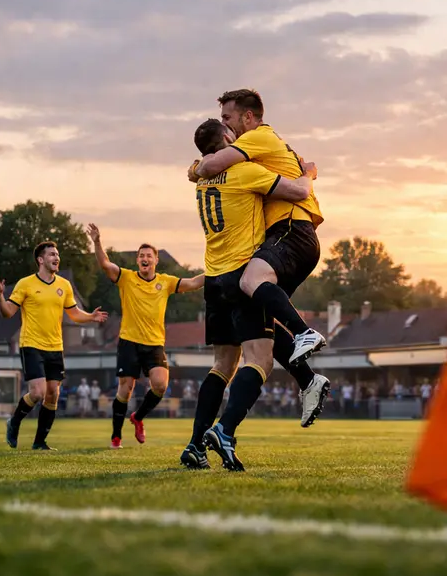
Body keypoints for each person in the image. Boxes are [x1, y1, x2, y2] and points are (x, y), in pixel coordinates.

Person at [189, 88, 331, 426]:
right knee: (264, 318)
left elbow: (214, 163)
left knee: (253, 290)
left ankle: (304, 335)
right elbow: (213, 164)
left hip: (287, 231)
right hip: (273, 239)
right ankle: (309, 379)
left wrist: (197, 167)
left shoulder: (255, 142)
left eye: (229, 117)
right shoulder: (247, 164)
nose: (228, 124)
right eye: (223, 121)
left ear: (247, 118)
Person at [86, 224, 205, 449]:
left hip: (154, 344)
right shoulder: (127, 278)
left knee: (160, 385)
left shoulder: (166, 282)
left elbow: (192, 283)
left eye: (149, 255)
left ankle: (138, 417)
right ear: (137, 261)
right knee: (126, 388)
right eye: (141, 255)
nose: (144, 258)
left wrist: (216, 271)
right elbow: (104, 264)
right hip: (129, 341)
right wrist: (97, 241)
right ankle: (116, 436)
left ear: (156, 260)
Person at [0, 241, 109, 450]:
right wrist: (0, 296)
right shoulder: (25, 284)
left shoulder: (64, 285)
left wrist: (90, 316)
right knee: (37, 392)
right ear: (40, 259)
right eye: (51, 254)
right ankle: (14, 422)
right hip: (31, 344)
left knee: (53, 394)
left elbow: (74, 313)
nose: (56, 258)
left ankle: (39, 443)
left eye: (57, 254)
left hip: (55, 347)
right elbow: (8, 312)